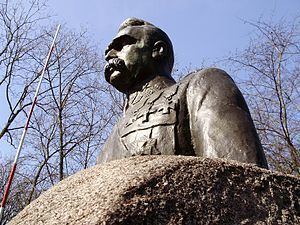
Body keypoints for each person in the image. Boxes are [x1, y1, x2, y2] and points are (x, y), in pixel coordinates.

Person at [97, 18, 268, 168]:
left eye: (121, 45)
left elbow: (241, 178)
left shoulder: (201, 85)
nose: (110, 55)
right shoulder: (109, 142)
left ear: (158, 50)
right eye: (109, 51)